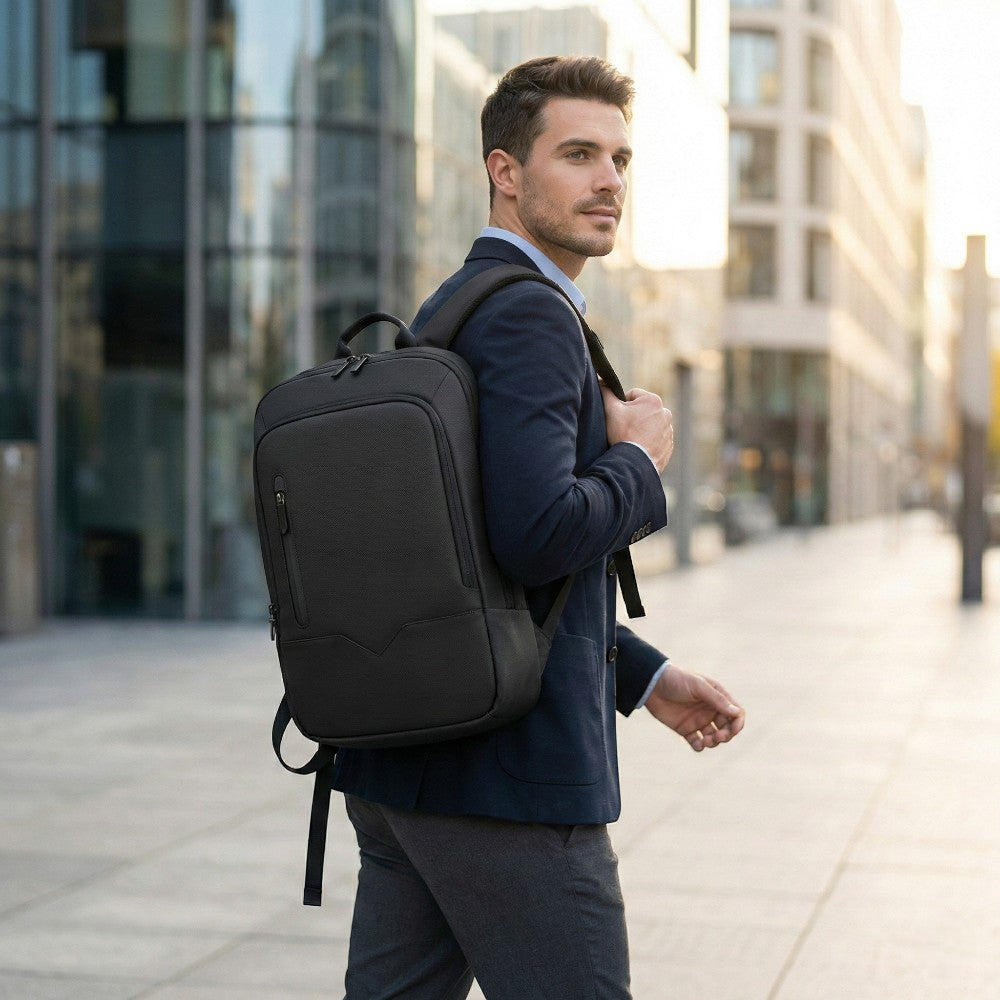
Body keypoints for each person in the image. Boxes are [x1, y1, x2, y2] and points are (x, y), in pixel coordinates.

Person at [330, 55, 745, 999]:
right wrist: (638, 460)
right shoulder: (530, 318)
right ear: (505, 172)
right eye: (580, 154)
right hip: (506, 784)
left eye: (622, 159)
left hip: (409, 771)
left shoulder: (453, 306)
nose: (610, 181)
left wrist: (644, 676)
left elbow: (473, 561)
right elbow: (533, 535)